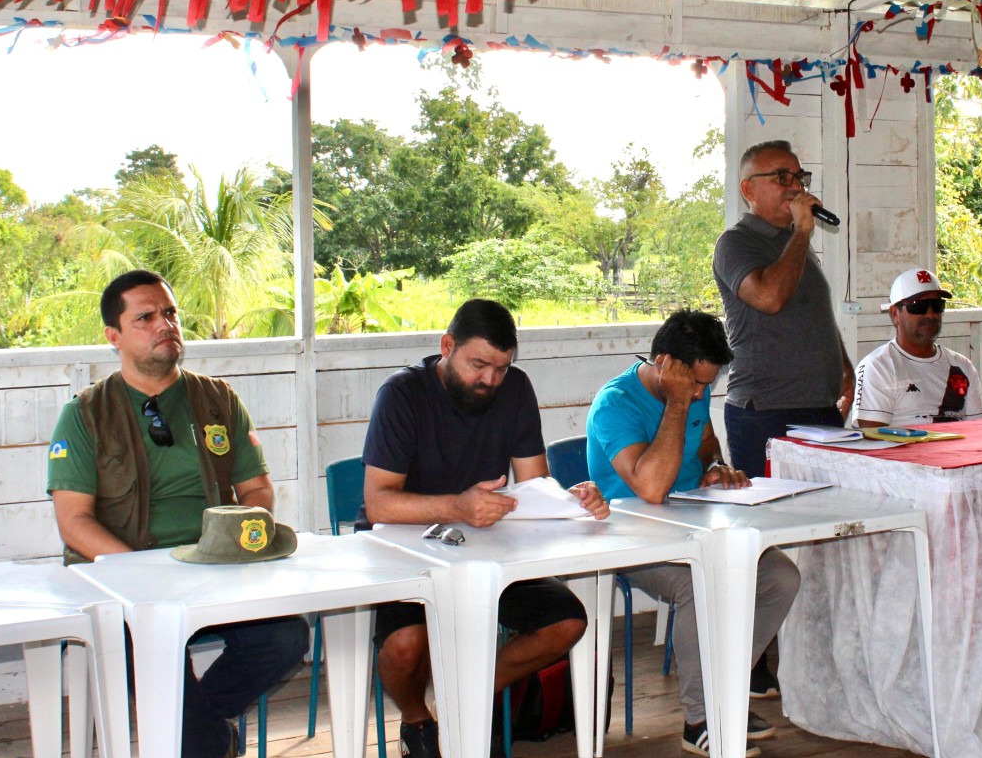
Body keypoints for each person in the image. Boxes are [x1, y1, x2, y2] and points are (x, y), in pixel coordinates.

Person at [47, 269, 308, 758]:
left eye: (169, 312)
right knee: (158, 655)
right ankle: (208, 737)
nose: (164, 324)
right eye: (145, 317)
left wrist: (237, 544)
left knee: (286, 637)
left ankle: (198, 728)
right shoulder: (85, 414)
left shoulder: (217, 399)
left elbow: (256, 490)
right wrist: (141, 575)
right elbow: (74, 521)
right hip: (124, 584)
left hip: (211, 570)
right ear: (114, 336)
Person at [358, 298, 609, 758]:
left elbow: (534, 481)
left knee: (567, 623)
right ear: (447, 346)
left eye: (501, 367)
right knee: (404, 646)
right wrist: (457, 506)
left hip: (487, 544)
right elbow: (378, 502)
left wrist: (572, 498)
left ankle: (463, 697)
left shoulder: (515, 389)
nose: (490, 380)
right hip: (405, 547)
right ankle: (417, 720)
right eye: (479, 365)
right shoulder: (401, 394)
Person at [585, 310, 801, 757]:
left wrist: (714, 467)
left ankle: (724, 693)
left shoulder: (693, 390)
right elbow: (650, 487)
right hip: (627, 537)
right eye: (696, 385)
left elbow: (704, 444)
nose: (702, 393)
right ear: (665, 363)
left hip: (693, 525)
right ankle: (699, 718)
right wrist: (678, 402)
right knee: (693, 585)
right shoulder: (616, 403)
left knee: (782, 577)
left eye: (708, 385)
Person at [711, 139, 850, 697]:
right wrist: (800, 233)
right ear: (749, 188)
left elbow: (814, 313)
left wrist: (842, 366)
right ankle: (750, 665)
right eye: (782, 177)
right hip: (764, 412)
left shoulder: (799, 245)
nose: (796, 185)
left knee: (826, 534)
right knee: (763, 542)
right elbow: (768, 299)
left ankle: (813, 654)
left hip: (818, 409)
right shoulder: (737, 242)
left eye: (799, 175)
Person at [850, 267, 982, 427]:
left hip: (956, 449)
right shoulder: (878, 366)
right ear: (895, 314)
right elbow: (871, 437)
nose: (930, 314)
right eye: (918, 306)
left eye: (937, 305)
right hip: (903, 450)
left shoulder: (962, 366)